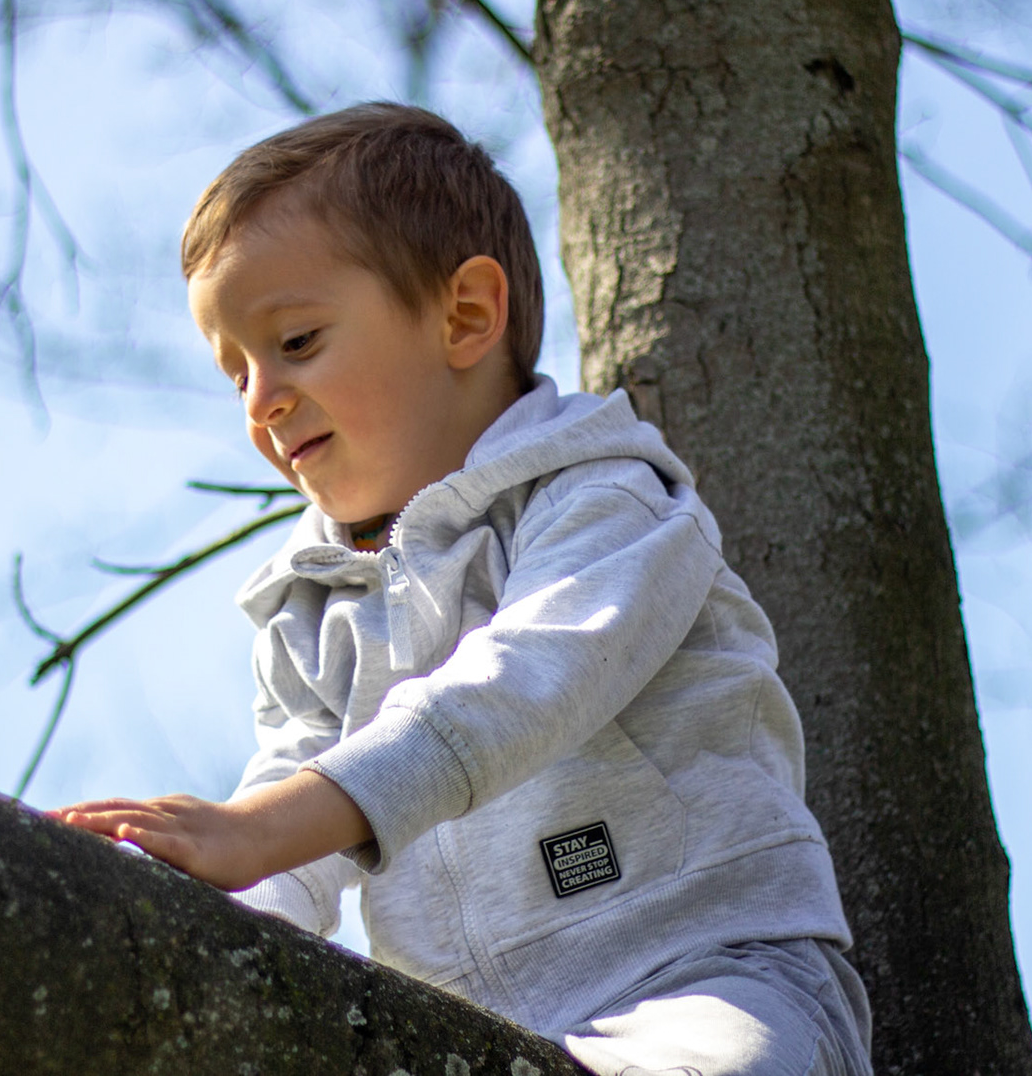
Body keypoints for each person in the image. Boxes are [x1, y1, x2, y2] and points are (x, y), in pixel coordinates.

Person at [56, 103, 872, 1076]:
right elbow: (286, 836)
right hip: (462, 1037)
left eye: (297, 341)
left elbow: (523, 682)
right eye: (235, 375)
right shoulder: (309, 611)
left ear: (466, 316)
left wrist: (260, 830)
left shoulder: (605, 498)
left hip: (701, 978)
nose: (260, 401)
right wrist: (167, 890)